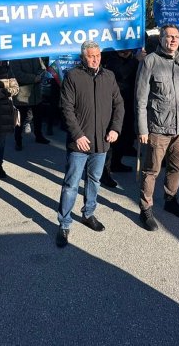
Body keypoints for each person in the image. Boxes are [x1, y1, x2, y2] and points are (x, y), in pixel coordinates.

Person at [55, 41, 124, 247]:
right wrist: (77, 135)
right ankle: (64, 223)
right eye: (91, 56)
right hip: (80, 144)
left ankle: (89, 213)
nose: (95, 59)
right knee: (71, 184)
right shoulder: (73, 76)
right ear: (82, 57)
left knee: (94, 180)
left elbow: (118, 104)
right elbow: (66, 107)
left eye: (97, 55)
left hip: (102, 142)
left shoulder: (108, 76)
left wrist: (115, 128)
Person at [135, 24, 179, 231]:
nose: (172, 40)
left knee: (175, 167)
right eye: (168, 37)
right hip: (157, 127)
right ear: (160, 38)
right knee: (151, 170)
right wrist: (142, 129)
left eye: (176, 37)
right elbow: (140, 99)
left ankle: (171, 200)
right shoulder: (150, 61)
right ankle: (146, 209)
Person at [10, 56, 49, 147]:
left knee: (38, 117)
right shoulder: (16, 56)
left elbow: (42, 68)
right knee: (20, 119)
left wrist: (39, 76)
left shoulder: (34, 54)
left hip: (36, 94)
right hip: (22, 95)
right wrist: (34, 78)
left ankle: (39, 136)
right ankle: (18, 140)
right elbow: (17, 74)